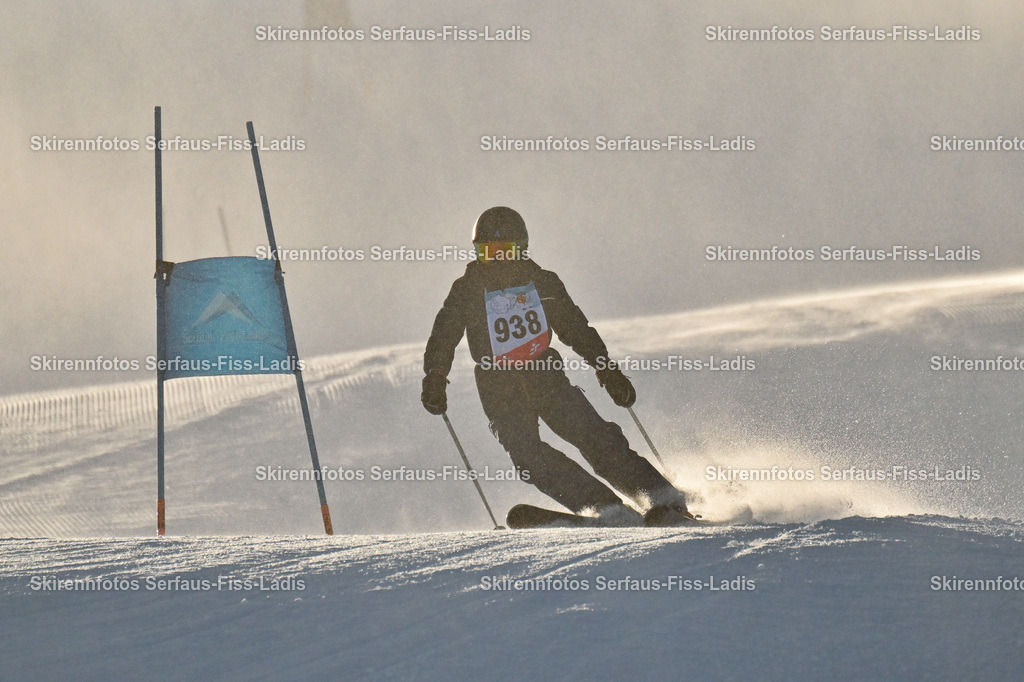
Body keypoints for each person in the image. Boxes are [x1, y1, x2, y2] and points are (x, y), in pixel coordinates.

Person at [421, 206, 691, 526]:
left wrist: (606, 368)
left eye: (505, 251)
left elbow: (575, 328)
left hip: (544, 375)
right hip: (498, 386)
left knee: (592, 435)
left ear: (521, 250)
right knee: (526, 454)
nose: (498, 260)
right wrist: (435, 376)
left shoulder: (542, 282)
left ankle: (660, 495)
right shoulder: (467, 289)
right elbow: (444, 334)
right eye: (488, 253)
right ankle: (602, 505)